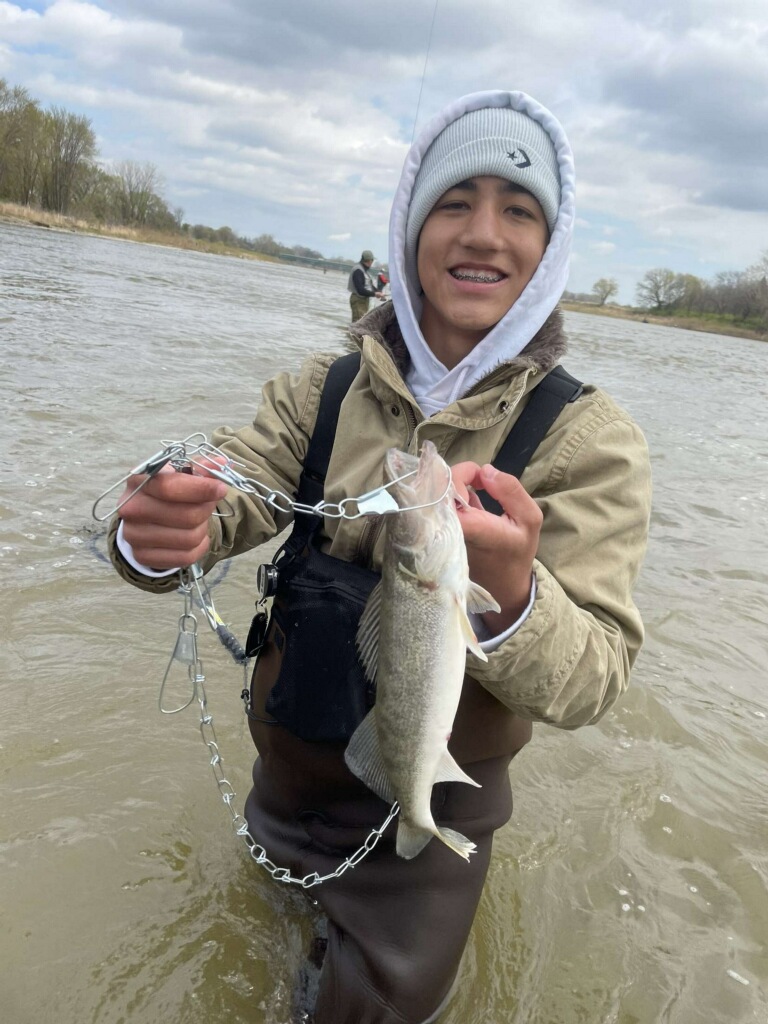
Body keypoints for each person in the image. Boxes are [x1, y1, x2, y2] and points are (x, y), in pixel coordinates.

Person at [109, 90, 651, 1023]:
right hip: (283, 786)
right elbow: (234, 483)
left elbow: (594, 677)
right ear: (409, 228)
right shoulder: (320, 388)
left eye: (519, 210)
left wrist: (515, 594)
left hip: (428, 831)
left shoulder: (590, 441)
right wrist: (157, 528)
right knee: (228, 969)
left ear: (553, 246)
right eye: (454, 202)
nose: (483, 233)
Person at [348, 248, 383, 320]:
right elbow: (360, 290)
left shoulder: (363, 270)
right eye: (372, 260)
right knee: (358, 323)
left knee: (362, 322)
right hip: (358, 300)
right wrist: (375, 294)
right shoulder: (358, 270)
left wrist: (378, 291)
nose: (372, 262)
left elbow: (368, 285)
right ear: (370, 260)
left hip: (363, 300)